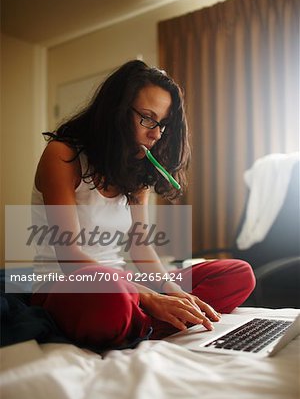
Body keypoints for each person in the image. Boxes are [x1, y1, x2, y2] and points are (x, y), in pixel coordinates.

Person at [31, 60, 255, 349]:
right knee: (111, 294)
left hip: (125, 285)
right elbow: (69, 256)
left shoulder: (135, 171)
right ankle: (148, 319)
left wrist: (170, 290)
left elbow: (141, 246)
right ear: (116, 112)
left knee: (238, 275)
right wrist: (148, 296)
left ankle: (142, 320)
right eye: (148, 119)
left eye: (162, 124)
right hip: (70, 285)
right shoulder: (62, 155)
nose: (157, 134)